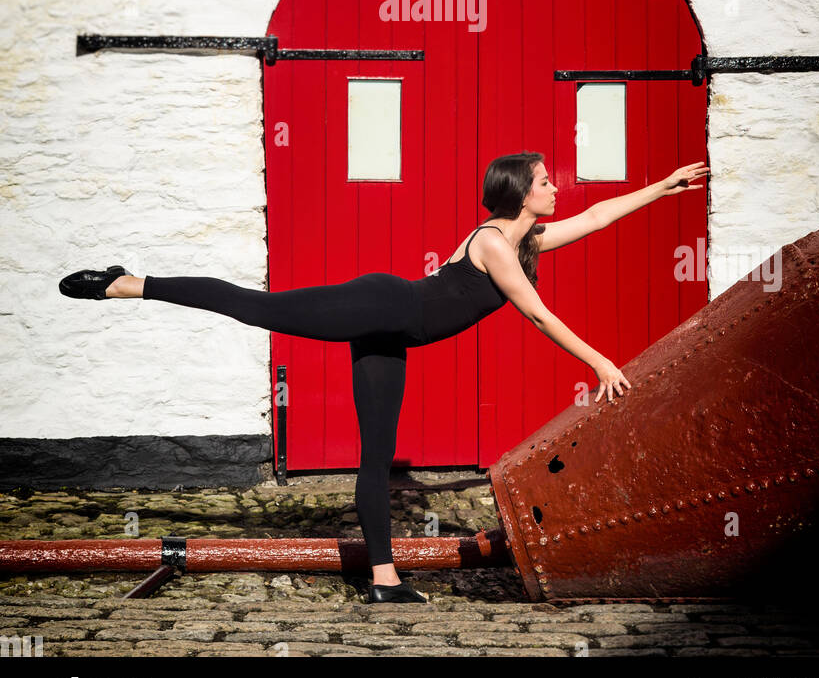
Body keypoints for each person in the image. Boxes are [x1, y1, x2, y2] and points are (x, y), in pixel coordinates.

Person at [59, 152, 708, 603]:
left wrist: (663, 186)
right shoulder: (493, 244)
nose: (555, 187)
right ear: (520, 191)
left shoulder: (526, 242)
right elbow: (536, 316)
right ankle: (130, 284)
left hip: (392, 331)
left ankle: (384, 579)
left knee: (375, 455)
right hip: (381, 304)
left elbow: (595, 219)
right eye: (544, 181)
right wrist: (598, 361)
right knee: (258, 306)